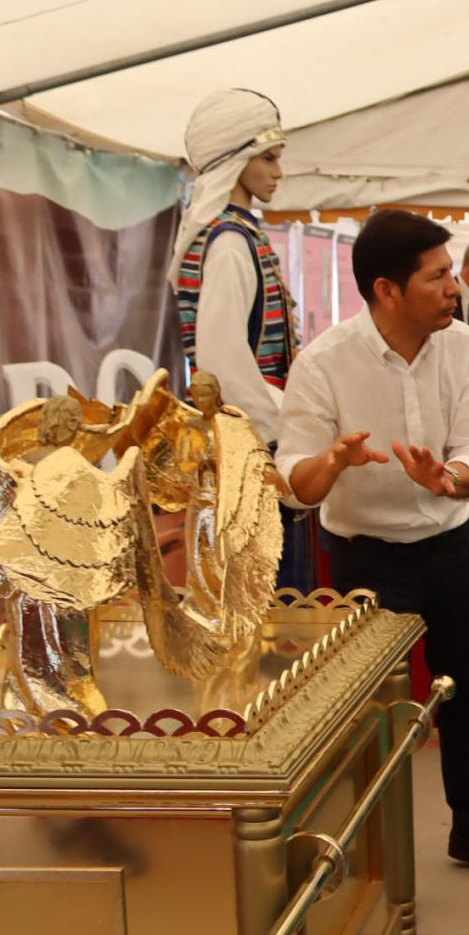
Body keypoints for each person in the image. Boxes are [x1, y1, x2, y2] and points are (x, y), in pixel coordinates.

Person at [274, 208, 469, 879]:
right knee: (370, 716)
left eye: (453, 273)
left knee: (468, 696)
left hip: (451, 548)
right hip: (366, 559)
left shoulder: (462, 345)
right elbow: (294, 486)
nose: (454, 289)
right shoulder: (324, 362)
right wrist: (332, 462)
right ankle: (368, 855)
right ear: (386, 290)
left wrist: (451, 479)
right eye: (437, 277)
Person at [169, 88, 313, 590]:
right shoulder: (229, 241)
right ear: (236, 162)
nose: (278, 172)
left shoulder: (237, 233)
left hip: (253, 446)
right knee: (271, 600)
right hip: (251, 455)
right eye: (268, 158)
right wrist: (275, 441)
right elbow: (222, 361)